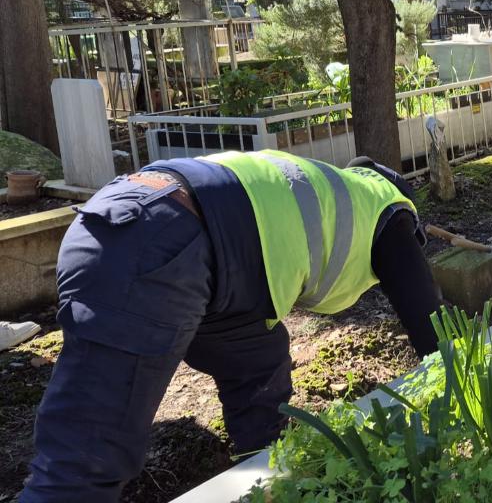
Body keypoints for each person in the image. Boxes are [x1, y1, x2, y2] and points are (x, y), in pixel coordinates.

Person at [20, 150, 442, 503]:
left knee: (260, 363)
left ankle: (266, 476)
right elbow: (433, 329)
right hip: (155, 244)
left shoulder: (334, 187)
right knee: (87, 458)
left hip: (159, 229)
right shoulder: (390, 212)